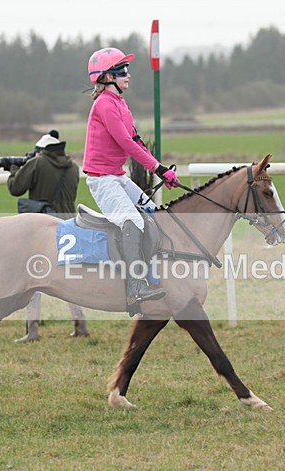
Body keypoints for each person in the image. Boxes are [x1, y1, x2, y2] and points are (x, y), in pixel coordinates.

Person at [83, 47, 180, 306]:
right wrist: (159, 170)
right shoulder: (104, 104)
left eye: (127, 70)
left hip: (117, 175)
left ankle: (154, 272)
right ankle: (135, 287)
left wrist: (162, 170)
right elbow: (126, 143)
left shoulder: (120, 103)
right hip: (102, 180)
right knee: (134, 223)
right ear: (106, 77)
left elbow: (136, 139)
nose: (128, 75)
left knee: (151, 213)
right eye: (121, 71)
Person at [7, 130, 89, 342]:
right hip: (70, 226)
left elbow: (16, 188)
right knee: (70, 276)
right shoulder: (73, 167)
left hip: (42, 230)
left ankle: (32, 331)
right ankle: (81, 324)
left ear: (42, 150)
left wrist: (15, 170)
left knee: (35, 277)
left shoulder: (38, 164)